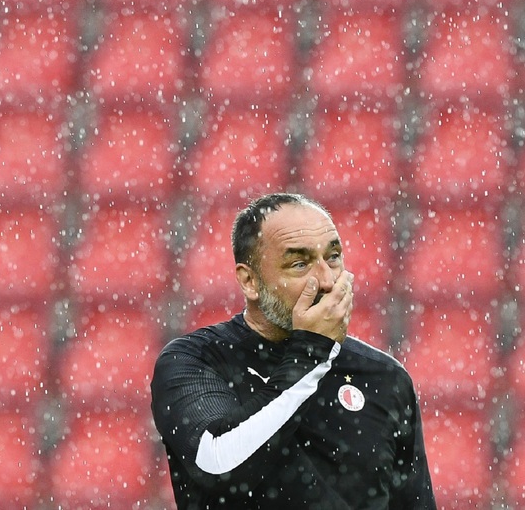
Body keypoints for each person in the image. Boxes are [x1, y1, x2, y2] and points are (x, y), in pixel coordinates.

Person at [151, 193, 436, 509]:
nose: (326, 281)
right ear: (250, 281)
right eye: (300, 264)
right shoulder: (195, 360)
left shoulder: (384, 377)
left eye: (333, 257)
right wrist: (312, 352)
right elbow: (220, 463)